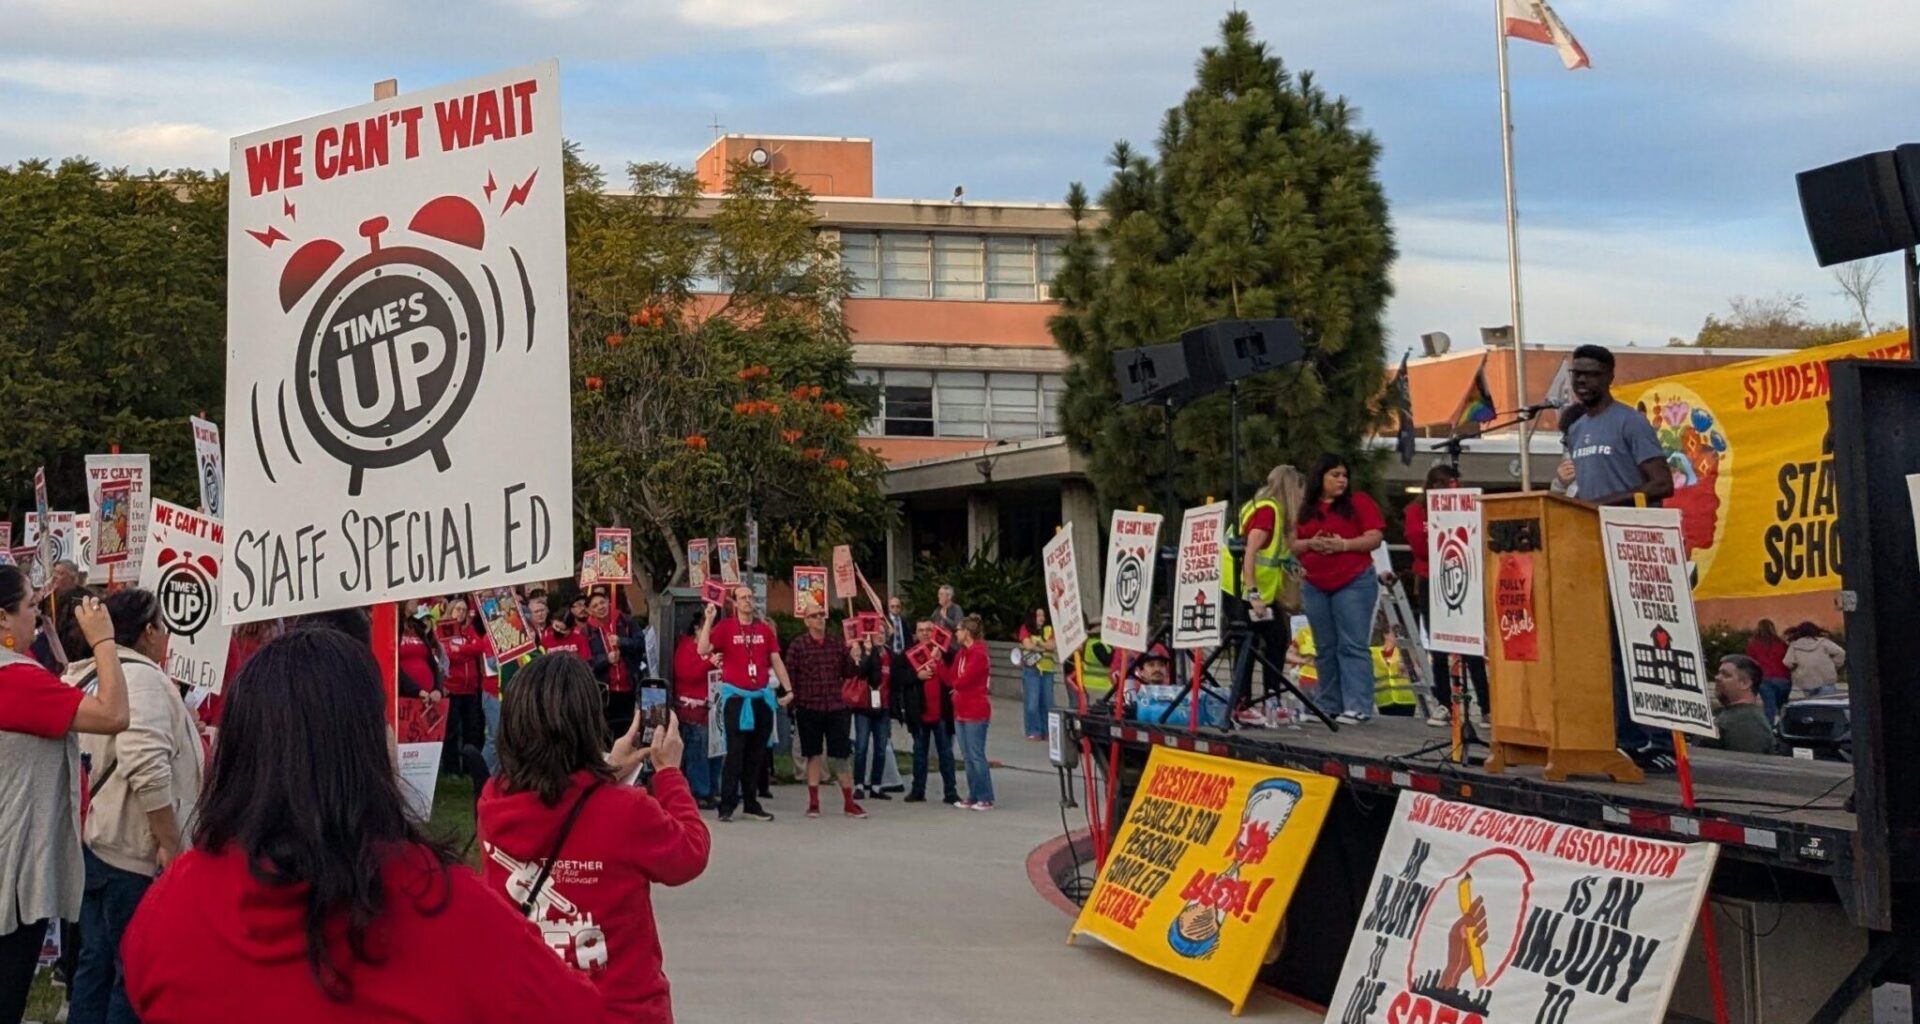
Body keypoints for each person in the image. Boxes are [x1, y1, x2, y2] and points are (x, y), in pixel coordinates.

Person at [120, 628, 608, 1022]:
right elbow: (577, 1010)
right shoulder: (448, 906)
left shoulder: (171, 906)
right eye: (385, 721)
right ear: (368, 748)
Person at [480, 655, 710, 1024]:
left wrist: (609, 769)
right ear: (588, 722)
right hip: (618, 1009)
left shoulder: (494, 804)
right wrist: (669, 773)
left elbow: (559, 801)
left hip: (528, 1005)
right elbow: (690, 853)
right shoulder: (627, 812)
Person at [63, 589, 203, 1024]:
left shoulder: (91, 674)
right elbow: (144, 761)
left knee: (96, 966)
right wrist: (169, 841)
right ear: (148, 633)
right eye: (163, 627)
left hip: (96, 842)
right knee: (131, 974)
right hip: (132, 851)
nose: (167, 638)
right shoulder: (140, 678)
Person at [0, 574, 128, 1024]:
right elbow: (114, 714)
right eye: (31, 607)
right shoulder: (16, 681)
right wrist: (104, 640)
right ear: (3, 618)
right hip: (13, 879)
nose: (38, 617)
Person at [1561, 344, 1677, 773]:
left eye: (1590, 374)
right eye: (1576, 374)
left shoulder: (1630, 422)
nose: (1582, 381)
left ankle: (1660, 740)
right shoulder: (1577, 429)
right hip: (1594, 548)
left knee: (1643, 646)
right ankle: (1626, 738)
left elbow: (1662, 483)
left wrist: (1604, 504)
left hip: (1635, 546)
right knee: (1607, 650)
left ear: (1610, 376)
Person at [1290, 455, 1385, 725]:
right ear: (1319, 478)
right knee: (1325, 646)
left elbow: (1375, 537)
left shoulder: (1359, 502)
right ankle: (1329, 704)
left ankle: (1358, 706)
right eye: (1335, 475)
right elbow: (1290, 544)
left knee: (1352, 644)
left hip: (1353, 580)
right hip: (1315, 582)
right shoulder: (1304, 508)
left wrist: (1344, 545)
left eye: (1344, 475)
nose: (1341, 480)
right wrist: (1310, 544)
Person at [1403, 464, 1490, 726]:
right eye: (1444, 484)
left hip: (1463, 577)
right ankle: (1444, 704)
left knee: (1472, 646)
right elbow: (1419, 546)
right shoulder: (1417, 511)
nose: (1451, 489)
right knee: (1439, 646)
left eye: (1454, 484)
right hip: (1431, 579)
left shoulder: (1466, 506)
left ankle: (1486, 706)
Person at [698, 586, 793, 823]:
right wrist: (709, 619)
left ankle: (751, 803)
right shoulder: (726, 627)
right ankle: (727, 804)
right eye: (743, 598)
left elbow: (776, 659)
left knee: (756, 754)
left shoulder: (764, 630)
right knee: (735, 753)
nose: (748, 601)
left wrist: (788, 689)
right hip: (737, 700)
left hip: (761, 698)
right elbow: (703, 649)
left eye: (750, 597)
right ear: (734, 603)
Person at [1223, 465, 1308, 716]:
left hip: (1257, 589)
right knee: (1248, 644)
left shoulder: (1272, 511)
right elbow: (1250, 553)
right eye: (1301, 491)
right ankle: (1243, 703)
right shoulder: (1268, 512)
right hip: (1243, 588)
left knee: (1277, 639)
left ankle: (1271, 699)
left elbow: (1274, 554)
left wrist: (1292, 566)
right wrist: (1253, 594)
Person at [783, 610, 867, 818]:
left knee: (842, 754)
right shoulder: (798, 646)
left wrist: (855, 658)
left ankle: (849, 803)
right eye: (814, 616)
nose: (820, 619)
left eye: (822, 615)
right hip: (809, 706)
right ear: (806, 621)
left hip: (835, 706)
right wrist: (793, 702)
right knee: (813, 754)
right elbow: (790, 675)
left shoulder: (835, 644)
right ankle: (813, 802)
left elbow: (848, 672)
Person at [899, 621, 959, 805]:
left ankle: (950, 792)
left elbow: (953, 678)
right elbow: (899, 678)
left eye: (928, 630)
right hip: (919, 714)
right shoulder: (908, 654)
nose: (925, 633)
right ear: (916, 633)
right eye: (921, 630)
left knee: (946, 754)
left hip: (942, 713)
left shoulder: (947, 653)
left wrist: (940, 661)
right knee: (919, 754)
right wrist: (916, 676)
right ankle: (918, 790)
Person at [942, 615, 995, 810]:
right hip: (960, 709)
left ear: (967, 632)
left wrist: (956, 685)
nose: (956, 633)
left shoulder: (979, 654)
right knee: (967, 756)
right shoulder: (961, 654)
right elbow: (950, 678)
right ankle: (973, 795)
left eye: (958, 630)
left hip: (975, 709)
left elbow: (965, 680)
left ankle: (985, 797)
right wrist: (939, 663)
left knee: (976, 754)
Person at [671, 616, 722, 809]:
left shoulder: (714, 649)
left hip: (714, 708)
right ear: (696, 629)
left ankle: (712, 789)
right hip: (694, 710)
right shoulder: (686, 647)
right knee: (698, 753)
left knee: (715, 752)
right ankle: (700, 791)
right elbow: (685, 673)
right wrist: (708, 663)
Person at [586, 592, 649, 741]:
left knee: (628, 730)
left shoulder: (626, 621)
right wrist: (606, 659)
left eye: (602, 602)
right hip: (605, 691)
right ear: (589, 611)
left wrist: (622, 642)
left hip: (629, 687)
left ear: (608, 601)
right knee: (606, 732)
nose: (600, 607)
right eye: (595, 606)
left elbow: (641, 644)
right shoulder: (587, 631)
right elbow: (587, 662)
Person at [440, 598, 489, 776]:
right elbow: (448, 655)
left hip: (471, 688)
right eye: (457, 609)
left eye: (463, 610)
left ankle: (470, 768)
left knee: (472, 730)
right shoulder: (444, 629)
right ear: (451, 610)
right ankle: (451, 768)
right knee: (452, 730)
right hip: (452, 687)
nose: (460, 613)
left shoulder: (470, 630)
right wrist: (468, 651)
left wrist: (461, 650)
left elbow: (480, 647)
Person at [848, 634, 892, 801]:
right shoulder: (864, 651)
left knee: (881, 748)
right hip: (864, 706)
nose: (880, 636)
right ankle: (859, 784)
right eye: (876, 633)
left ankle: (876, 785)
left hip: (884, 706)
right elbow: (860, 673)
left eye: (883, 633)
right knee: (861, 747)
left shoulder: (890, 655)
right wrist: (867, 653)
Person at [1704, 655, 1777, 755]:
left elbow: (1745, 763)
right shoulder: (1729, 714)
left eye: (1726, 675)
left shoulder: (1748, 721)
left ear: (1745, 683)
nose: (1717, 678)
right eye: (1719, 673)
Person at [1016, 606, 1056, 741]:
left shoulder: (1049, 629)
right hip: (1032, 669)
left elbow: (1052, 645)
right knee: (1032, 702)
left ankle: (1047, 730)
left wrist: (1038, 644)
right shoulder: (1025, 628)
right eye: (1038, 615)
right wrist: (1043, 645)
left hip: (1047, 670)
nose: (1042, 618)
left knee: (1048, 702)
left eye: (1043, 615)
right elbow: (1028, 645)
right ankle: (1033, 730)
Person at [1745, 618, 1792, 724]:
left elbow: (1750, 662)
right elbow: (1788, 659)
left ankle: (1770, 728)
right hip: (1782, 678)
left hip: (1764, 678)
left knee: (1769, 707)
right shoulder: (1781, 643)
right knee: (1783, 706)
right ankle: (1784, 726)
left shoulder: (1753, 644)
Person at [1784, 621, 1846, 700]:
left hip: (1805, 682)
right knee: (1828, 704)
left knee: (1812, 706)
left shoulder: (1794, 645)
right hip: (1826, 680)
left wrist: (1795, 668)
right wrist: (1834, 665)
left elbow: (1787, 662)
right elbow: (1840, 652)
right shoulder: (1823, 642)